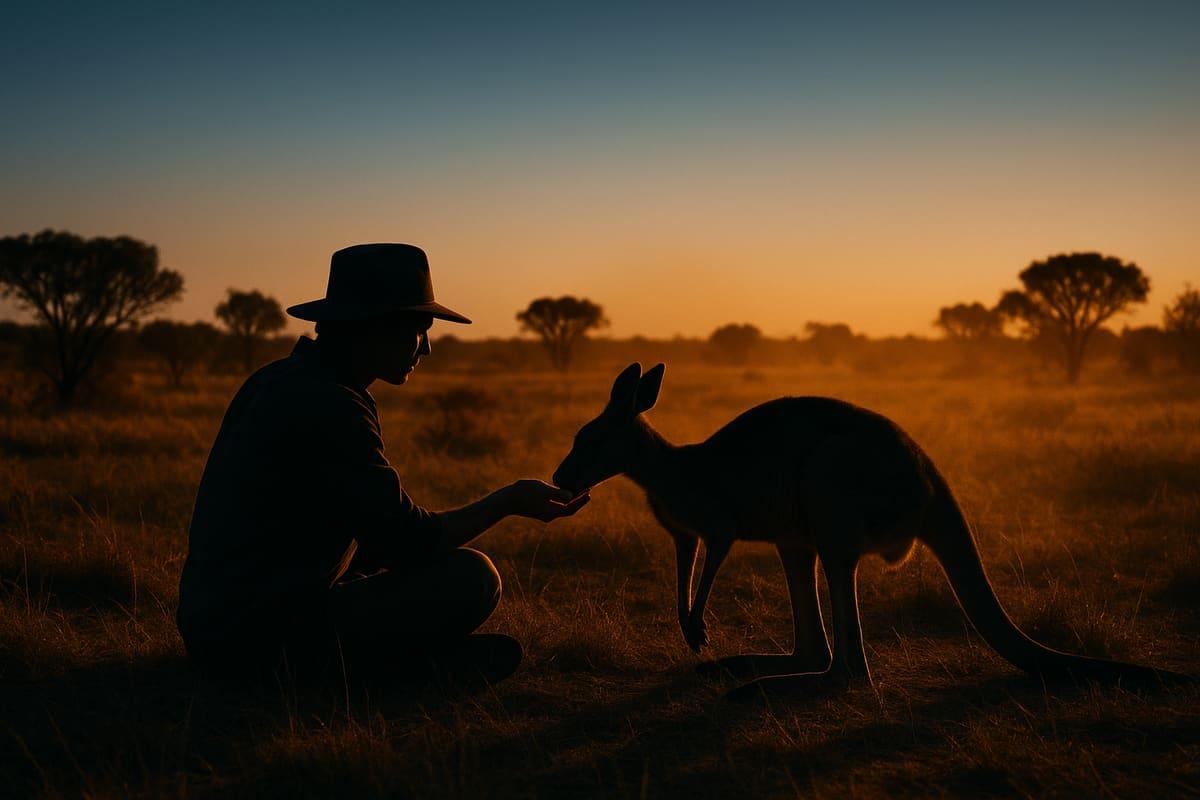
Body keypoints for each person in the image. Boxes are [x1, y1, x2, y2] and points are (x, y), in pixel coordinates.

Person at [176, 243, 588, 684]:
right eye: (419, 330)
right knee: (474, 578)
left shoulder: (276, 379)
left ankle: (390, 666)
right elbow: (410, 541)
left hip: (212, 628)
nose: (426, 349)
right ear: (374, 327)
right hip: (256, 639)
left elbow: (367, 528)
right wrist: (508, 501)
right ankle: (387, 675)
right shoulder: (332, 403)